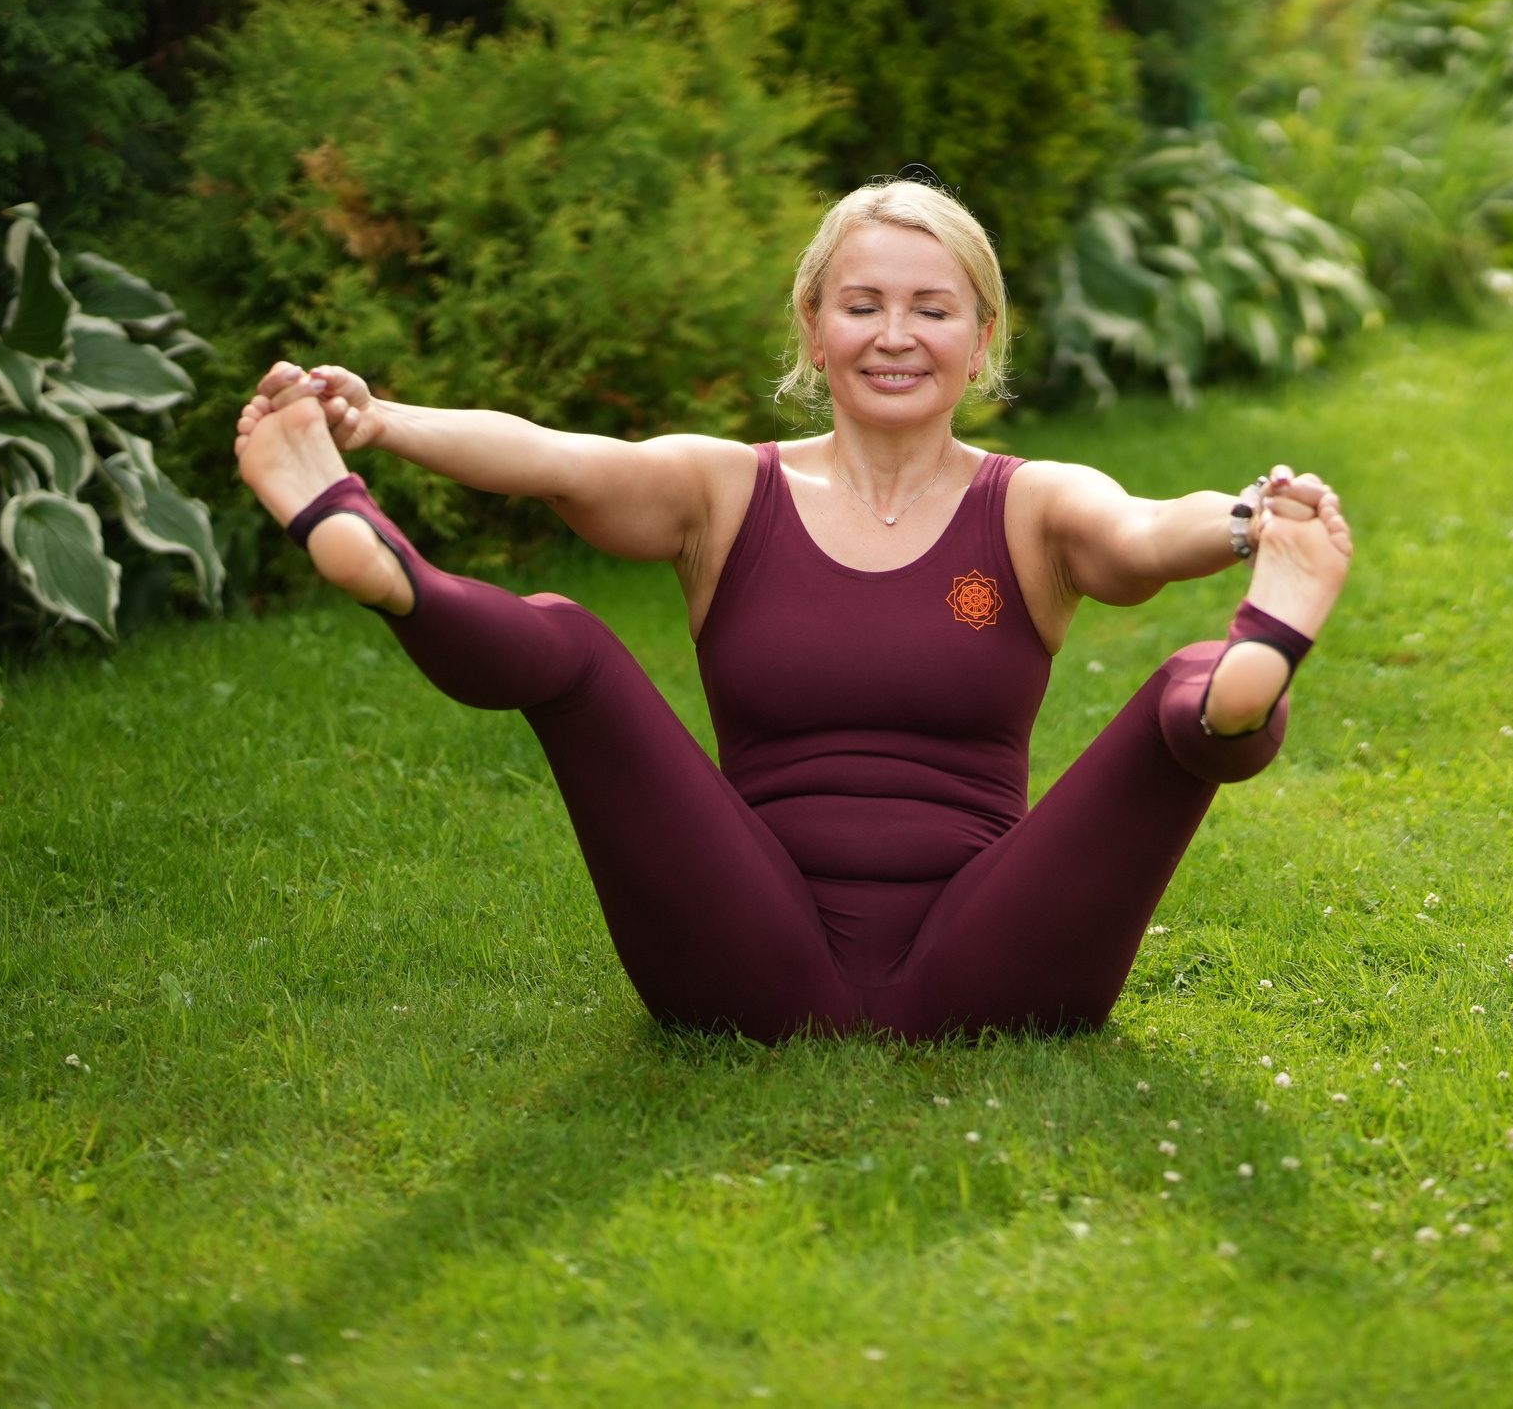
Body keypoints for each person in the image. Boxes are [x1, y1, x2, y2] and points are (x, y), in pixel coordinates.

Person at [233, 177, 1354, 1040]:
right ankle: (395, 579)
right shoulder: (727, 491)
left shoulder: (1035, 505)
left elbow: (1144, 535)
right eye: (860, 305)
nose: (894, 334)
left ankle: (1247, 672)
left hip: (996, 950)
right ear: (814, 330)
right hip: (744, 942)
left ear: (981, 340)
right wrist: (383, 423)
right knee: (569, 645)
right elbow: (559, 461)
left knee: (1185, 695)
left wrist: (1248, 522)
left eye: (931, 308)